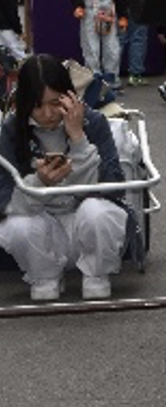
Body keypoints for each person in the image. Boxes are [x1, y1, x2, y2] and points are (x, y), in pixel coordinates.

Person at [0, 54, 128, 301]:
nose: (47, 113)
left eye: (55, 102)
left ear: (70, 96)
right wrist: (39, 183)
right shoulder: (12, 130)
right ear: (23, 103)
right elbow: (4, 201)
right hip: (42, 228)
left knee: (97, 211)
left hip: (84, 222)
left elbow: (113, 188)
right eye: (37, 105)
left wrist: (79, 139)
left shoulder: (93, 121)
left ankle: (97, 272)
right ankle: (44, 274)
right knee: (17, 225)